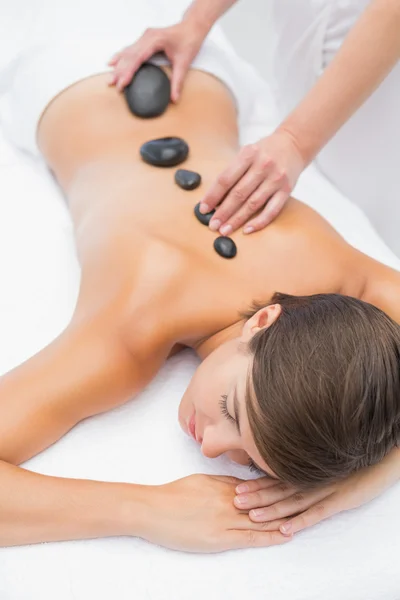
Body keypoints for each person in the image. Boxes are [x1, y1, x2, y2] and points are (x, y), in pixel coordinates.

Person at [1, 22, 400, 554]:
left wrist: (366, 474)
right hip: (62, 52)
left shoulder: (342, 276)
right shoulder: (135, 323)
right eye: (231, 411)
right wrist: (143, 509)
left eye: (253, 461)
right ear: (262, 321)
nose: (212, 446)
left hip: (206, 62)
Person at [110, 0, 400, 255]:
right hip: (301, 69)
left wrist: (295, 141)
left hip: (377, 112)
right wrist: (196, 20)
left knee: (373, 232)